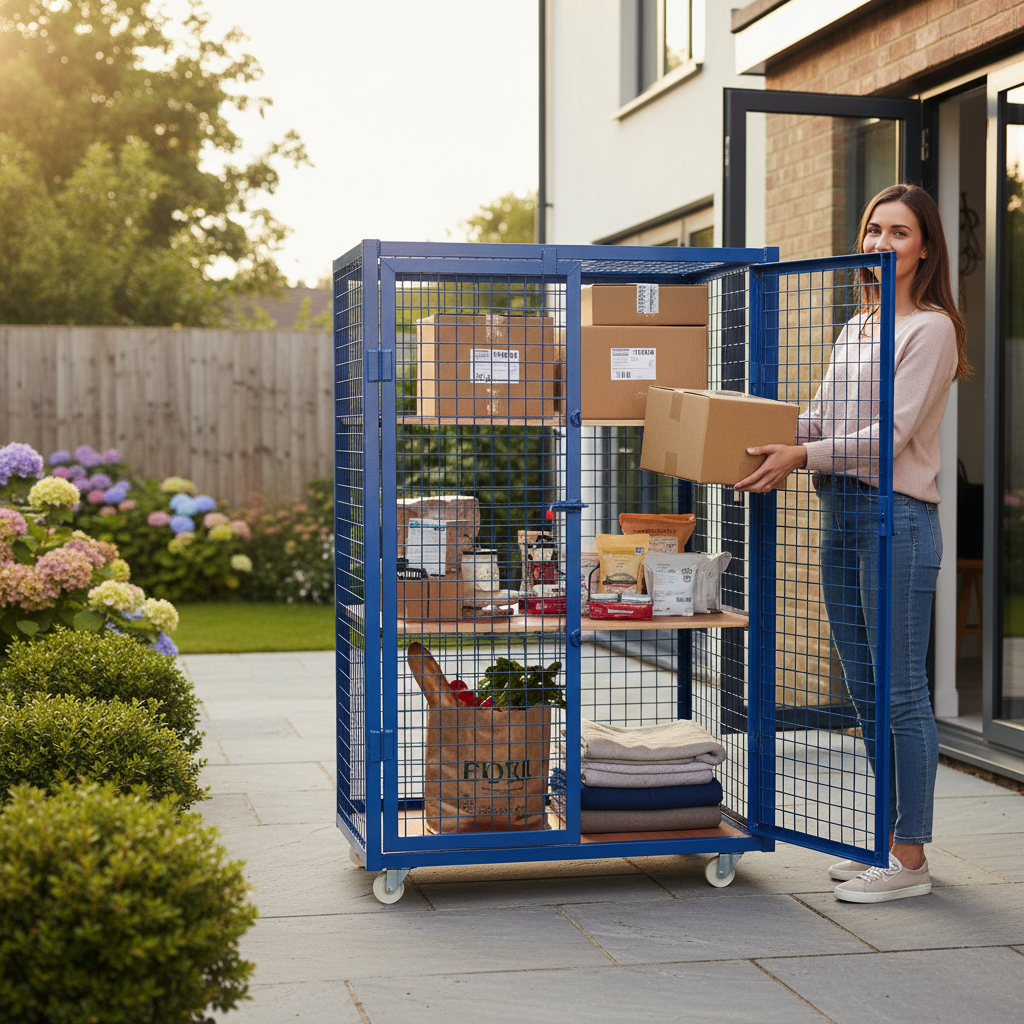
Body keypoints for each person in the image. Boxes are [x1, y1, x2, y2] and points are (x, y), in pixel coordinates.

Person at [735, 183, 971, 903]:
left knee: (900, 693)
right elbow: (827, 416)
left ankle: (909, 857)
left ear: (925, 246)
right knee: (865, 691)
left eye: (898, 232)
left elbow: (889, 435)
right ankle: (881, 837)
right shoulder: (861, 325)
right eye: (873, 229)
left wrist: (804, 455)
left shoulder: (930, 330)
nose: (880, 244)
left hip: (896, 519)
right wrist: (775, 434)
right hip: (842, 514)